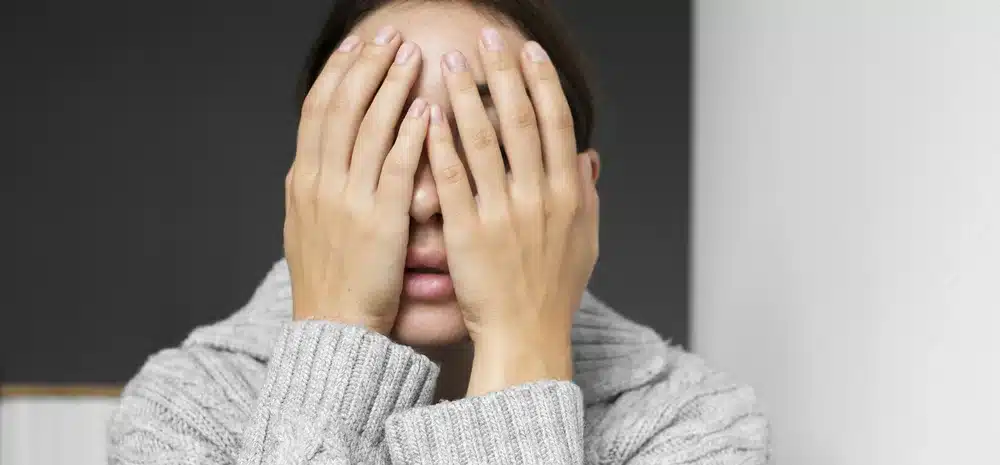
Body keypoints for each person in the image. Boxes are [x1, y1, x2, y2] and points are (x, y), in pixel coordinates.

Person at [108, 0, 770, 463]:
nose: (426, 196)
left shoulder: (697, 425)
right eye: (381, 143)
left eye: (487, 145)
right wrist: (335, 341)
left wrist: (521, 347)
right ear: (310, 189)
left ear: (579, 198)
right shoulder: (182, 407)